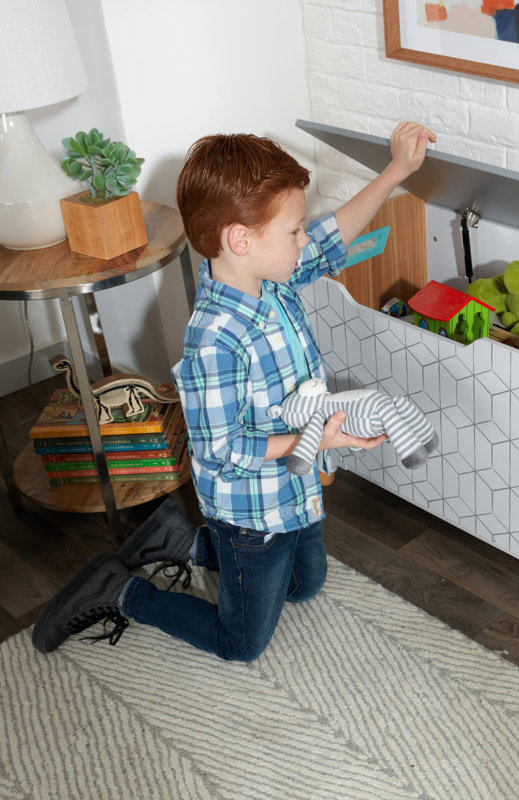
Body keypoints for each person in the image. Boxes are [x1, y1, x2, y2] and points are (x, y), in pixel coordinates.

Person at [32, 121, 436, 660]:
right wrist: (321, 442)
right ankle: (120, 591)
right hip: (250, 513)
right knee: (242, 642)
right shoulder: (215, 341)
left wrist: (398, 170)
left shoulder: (270, 277)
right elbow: (222, 451)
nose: (303, 238)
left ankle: (182, 541)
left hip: (297, 496)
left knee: (305, 586)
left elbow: (330, 236)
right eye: (293, 230)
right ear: (240, 240)